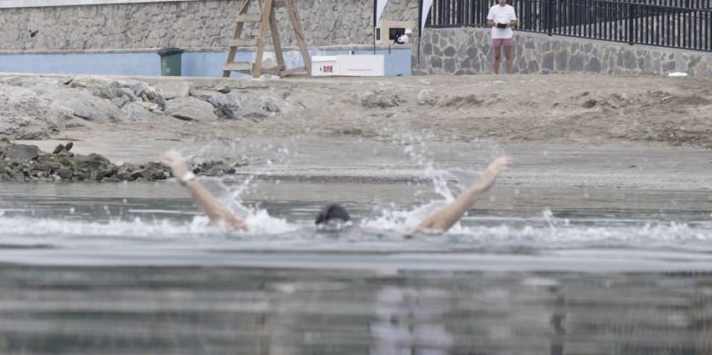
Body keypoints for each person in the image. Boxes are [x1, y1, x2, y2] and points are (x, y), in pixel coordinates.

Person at [160, 150, 513, 233]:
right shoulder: (373, 233)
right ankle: (476, 190)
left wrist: (186, 176)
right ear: (350, 223)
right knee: (422, 233)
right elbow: (434, 225)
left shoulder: (291, 234)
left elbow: (226, 219)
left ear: (317, 223)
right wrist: (475, 191)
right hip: (371, 237)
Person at [487, 0, 518, 75]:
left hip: (507, 34)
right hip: (496, 34)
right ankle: (496, 74)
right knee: (497, 55)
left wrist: (508, 24)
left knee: (508, 55)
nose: (502, 0)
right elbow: (489, 22)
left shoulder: (510, 8)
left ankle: (508, 74)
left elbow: (514, 21)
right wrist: (496, 24)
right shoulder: (493, 8)